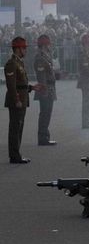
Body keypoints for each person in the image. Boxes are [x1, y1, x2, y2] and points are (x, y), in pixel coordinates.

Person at [6, 36, 37, 164]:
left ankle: (16, 153)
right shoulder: (11, 63)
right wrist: (17, 99)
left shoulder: (19, 62)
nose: (25, 50)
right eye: (24, 48)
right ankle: (14, 155)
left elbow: (20, 83)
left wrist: (31, 87)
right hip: (17, 100)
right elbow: (11, 85)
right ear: (18, 49)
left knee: (19, 127)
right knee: (15, 128)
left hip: (22, 99)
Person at [33, 34, 58, 145]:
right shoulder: (40, 57)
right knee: (45, 113)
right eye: (48, 44)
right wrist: (44, 90)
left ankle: (45, 136)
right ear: (44, 45)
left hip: (50, 87)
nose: (50, 46)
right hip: (45, 88)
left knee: (48, 113)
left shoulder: (46, 55)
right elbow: (41, 75)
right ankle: (43, 138)